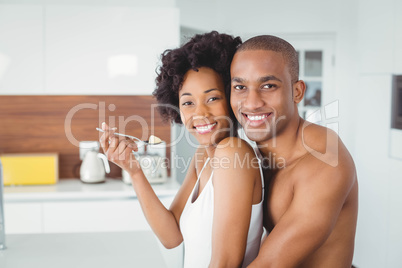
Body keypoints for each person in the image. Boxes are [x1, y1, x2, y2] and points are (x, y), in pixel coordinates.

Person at [99, 31, 264, 268]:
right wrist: (133, 170)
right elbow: (171, 236)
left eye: (212, 98)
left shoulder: (233, 151)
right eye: (188, 102)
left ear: (231, 97)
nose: (200, 114)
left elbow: (226, 262)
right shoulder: (204, 158)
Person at [229, 35, 358, 268]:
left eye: (268, 86)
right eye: (240, 87)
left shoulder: (325, 160)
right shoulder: (252, 157)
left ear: (297, 91)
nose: (252, 102)